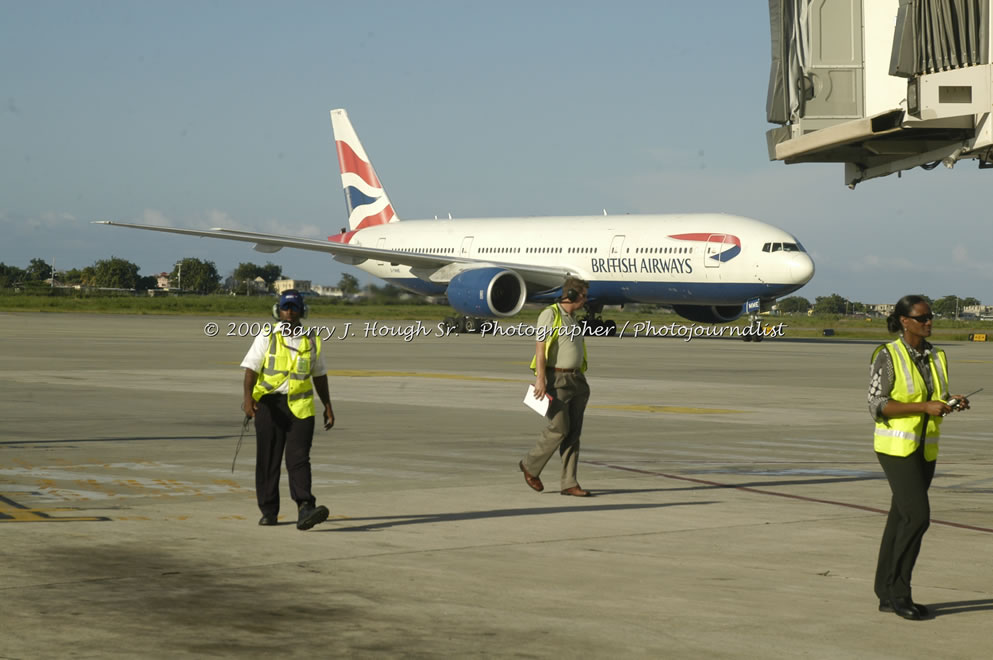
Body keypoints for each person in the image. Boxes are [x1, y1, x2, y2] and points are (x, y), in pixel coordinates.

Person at [868, 294, 971, 620]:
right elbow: (877, 404)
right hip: (896, 448)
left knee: (900, 518)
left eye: (931, 317)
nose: (929, 322)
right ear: (904, 321)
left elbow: (932, 396)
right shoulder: (887, 355)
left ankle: (885, 593)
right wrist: (923, 407)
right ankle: (900, 593)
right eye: (922, 317)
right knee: (918, 517)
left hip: (925, 447)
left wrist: (949, 401)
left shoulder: (937, 355)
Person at [241, 289, 336, 530]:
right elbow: (251, 369)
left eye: (294, 308)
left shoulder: (311, 340)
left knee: (299, 459)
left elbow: (320, 376)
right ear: (278, 310)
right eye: (286, 308)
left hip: (301, 408)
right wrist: (247, 398)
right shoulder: (267, 336)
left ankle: (305, 507)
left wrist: (327, 405)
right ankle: (269, 510)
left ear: (303, 311)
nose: (290, 313)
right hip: (270, 406)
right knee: (268, 460)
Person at [519, 277, 592, 497]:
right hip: (557, 380)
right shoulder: (550, 314)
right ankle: (530, 465)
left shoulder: (573, 318)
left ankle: (569, 482)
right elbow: (540, 348)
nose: (586, 300)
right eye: (583, 296)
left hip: (577, 380)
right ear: (571, 295)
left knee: (573, 433)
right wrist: (541, 379)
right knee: (560, 428)